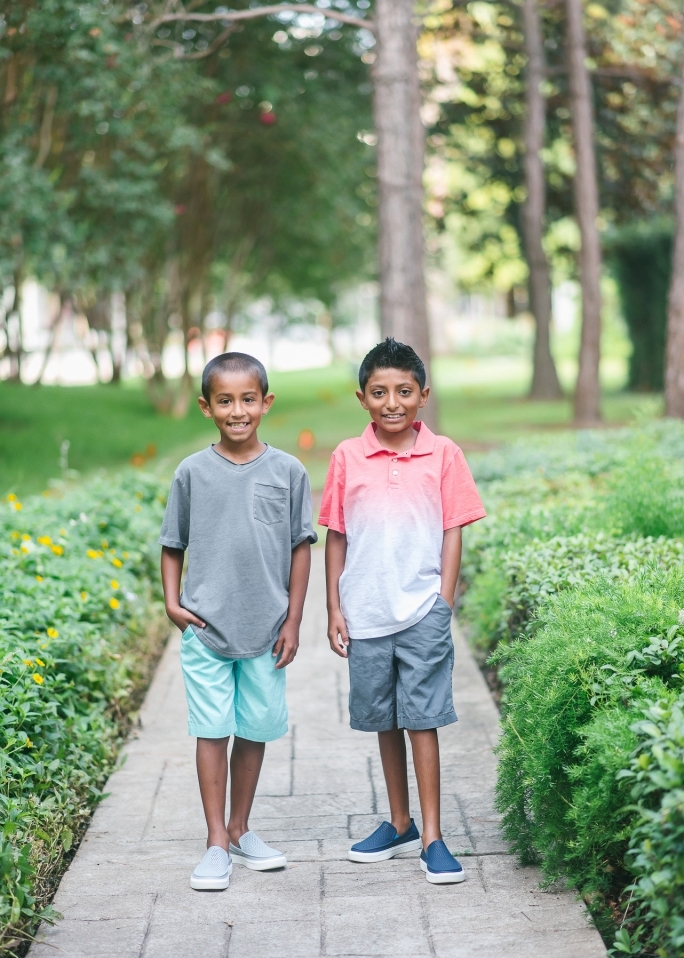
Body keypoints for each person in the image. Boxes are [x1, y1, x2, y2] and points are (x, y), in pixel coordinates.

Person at [319, 338, 485, 884]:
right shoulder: (347, 456)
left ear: (423, 396)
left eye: (404, 391)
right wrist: (335, 608)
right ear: (362, 398)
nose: (392, 402)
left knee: (423, 719)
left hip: (421, 612)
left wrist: (444, 601)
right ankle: (399, 822)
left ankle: (434, 836)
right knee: (383, 719)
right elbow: (336, 535)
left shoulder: (444, 455)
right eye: (379, 392)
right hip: (365, 613)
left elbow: (452, 529)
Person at [159, 352, 317, 890]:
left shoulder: (288, 471)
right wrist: (171, 603)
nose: (238, 410)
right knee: (212, 730)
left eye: (248, 399)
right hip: (204, 630)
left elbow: (301, 548)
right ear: (207, 407)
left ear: (266, 403)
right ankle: (215, 842)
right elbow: (171, 543)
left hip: (267, 630)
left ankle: (242, 828)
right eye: (225, 401)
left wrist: (294, 620)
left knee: (255, 727)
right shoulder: (192, 472)